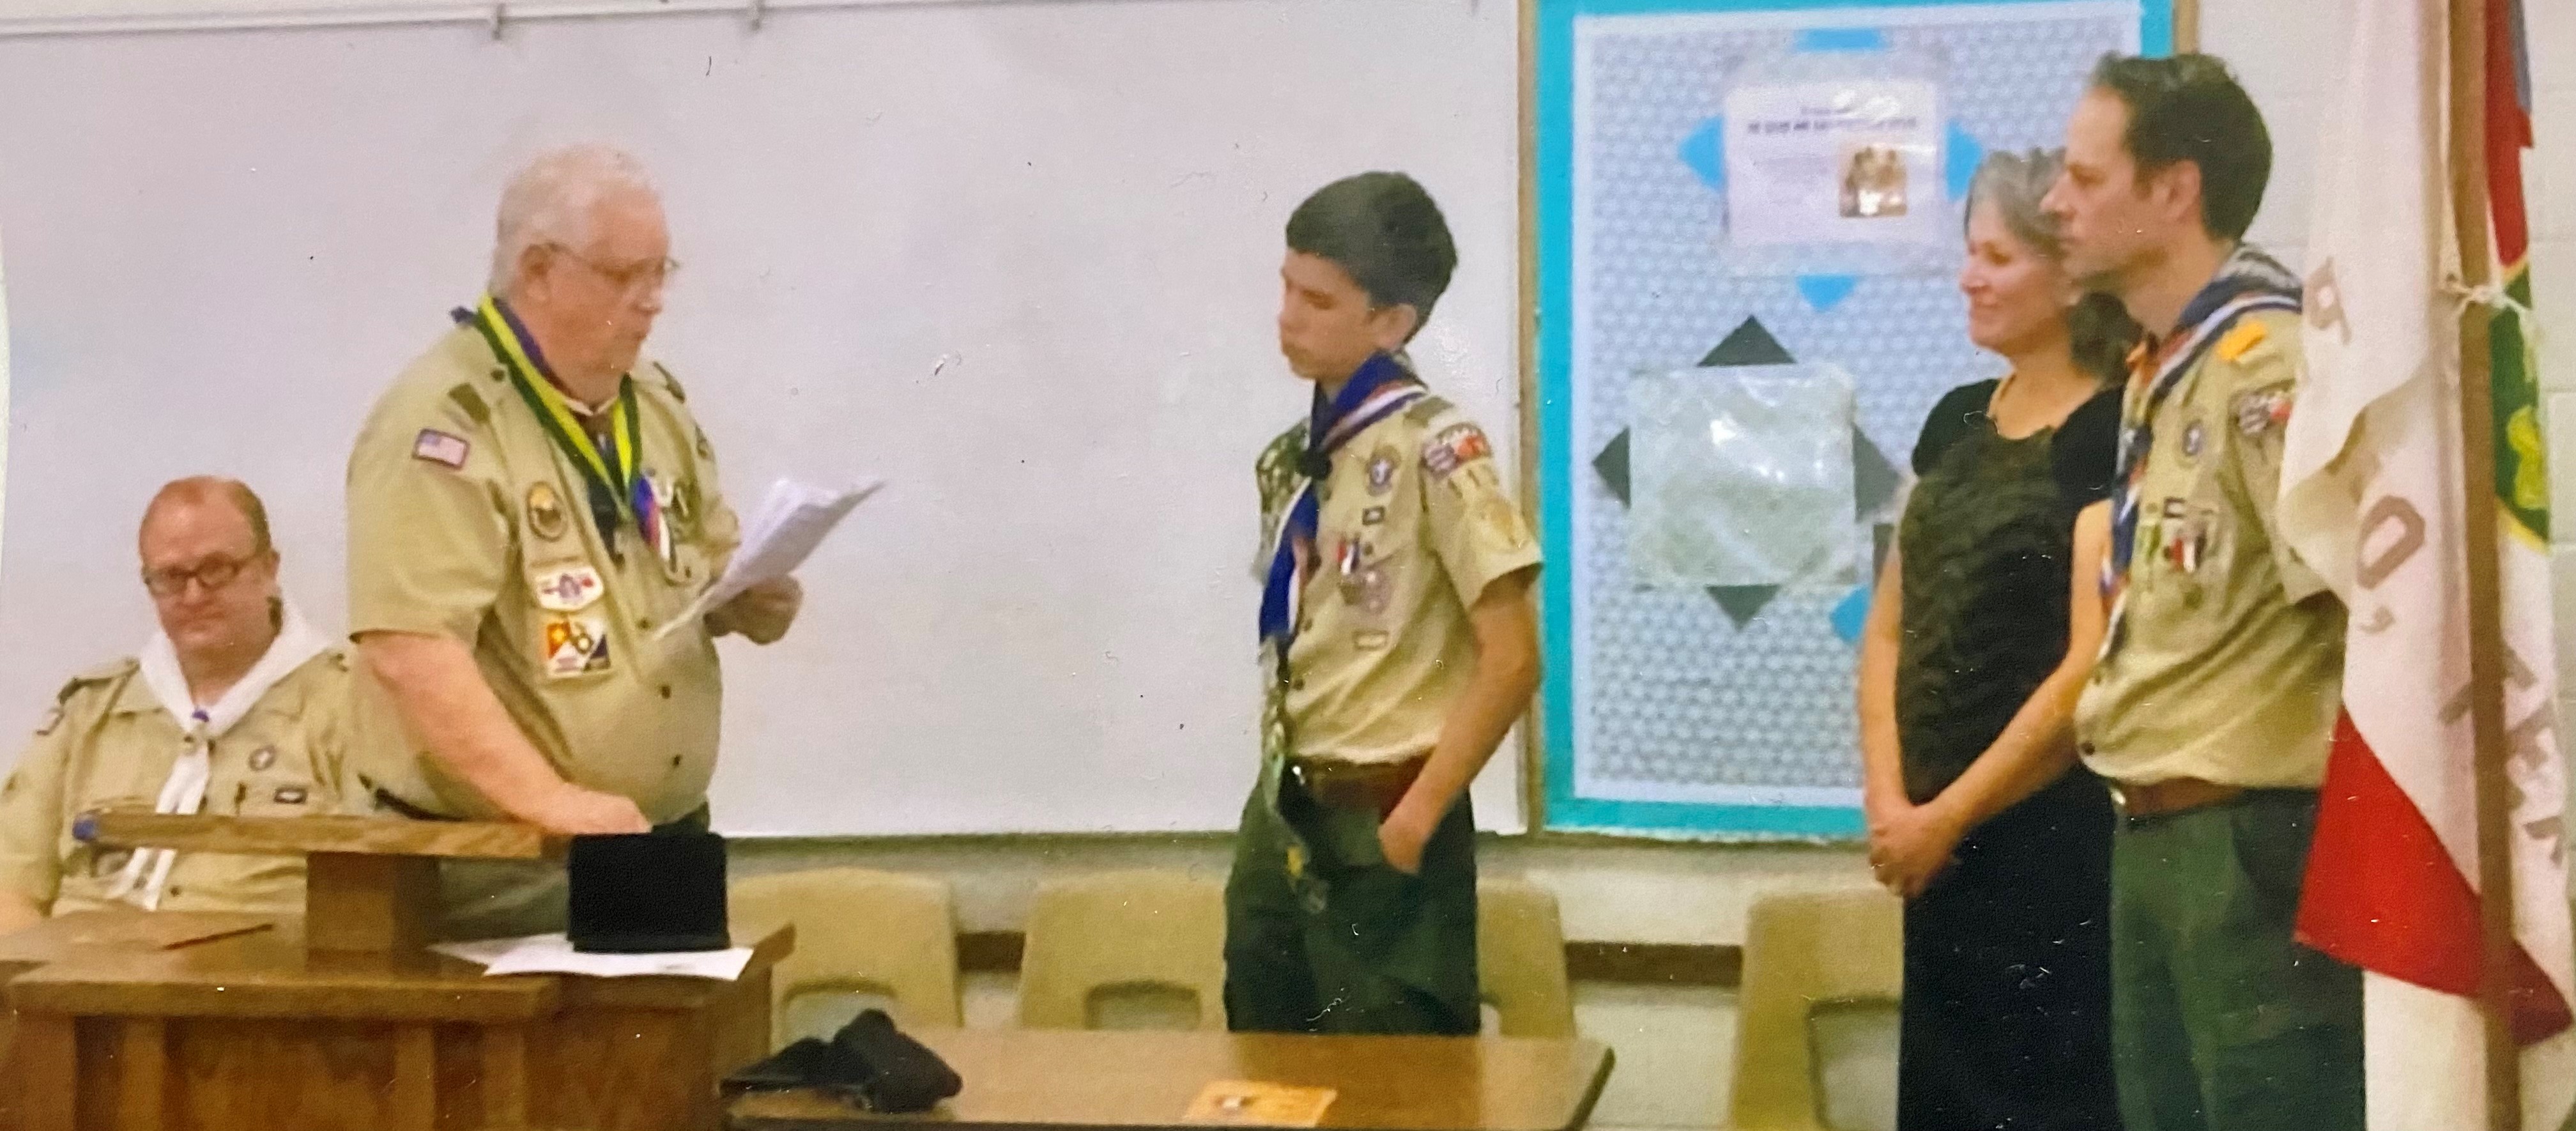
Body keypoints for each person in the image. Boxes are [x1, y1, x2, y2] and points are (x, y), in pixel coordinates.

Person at [345, 144, 802, 937]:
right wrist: (549, 802)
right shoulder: (444, 425)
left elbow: (703, 560)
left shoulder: (650, 402)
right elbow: (411, 650)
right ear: (538, 272)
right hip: (505, 861)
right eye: (625, 276)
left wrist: (751, 598)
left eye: (662, 273)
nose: (652, 302)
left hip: (658, 843)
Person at [2041, 54, 2361, 1131]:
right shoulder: (2165, 368)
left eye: (2085, 178)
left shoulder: (2267, 366)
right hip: (2155, 831)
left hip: (2249, 839)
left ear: (2174, 189)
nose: (2055, 202)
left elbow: (2363, 609)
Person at [1224, 171, 1542, 1035]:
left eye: (1319, 300)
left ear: (1392, 323)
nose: (1288, 316)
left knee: (1394, 1070)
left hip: (1387, 811)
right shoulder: (1293, 459)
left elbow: (1514, 659)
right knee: (1266, 1053)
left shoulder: (1439, 449)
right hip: (1287, 806)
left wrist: (1417, 817)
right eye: (1286, 287)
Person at [1856, 150, 2133, 1131]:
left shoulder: (2113, 426)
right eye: (1969, 253)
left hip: (2045, 840)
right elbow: (1891, 626)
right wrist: (1892, 801)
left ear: (2071, 277)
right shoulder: (1956, 419)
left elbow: (2086, 665)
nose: (1970, 277)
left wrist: (1949, 815)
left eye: (1999, 257)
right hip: (1933, 851)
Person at [0, 478, 354, 932]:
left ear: (269, 568)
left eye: (216, 569)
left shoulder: (349, 706)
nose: (194, 596)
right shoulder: (91, 713)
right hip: (77, 967)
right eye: (170, 577)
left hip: (257, 970)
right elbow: (11, 888)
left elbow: (390, 898)